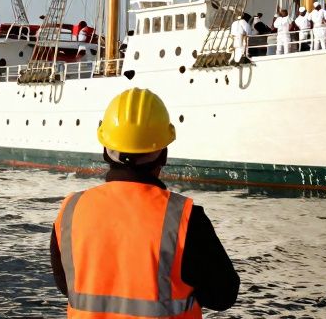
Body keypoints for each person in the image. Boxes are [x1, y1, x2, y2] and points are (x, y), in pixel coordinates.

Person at [51, 88, 239, 317]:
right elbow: (223, 296)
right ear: (163, 155)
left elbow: (65, 285)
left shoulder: (71, 210)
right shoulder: (185, 220)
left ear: (105, 151)